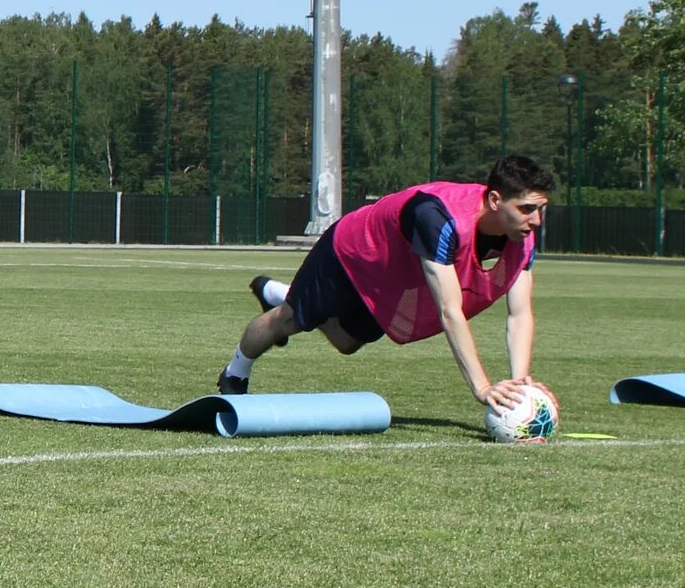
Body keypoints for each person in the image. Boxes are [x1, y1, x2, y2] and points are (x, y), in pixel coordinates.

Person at [221, 153, 552, 412]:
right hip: (352, 251)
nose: (535, 220)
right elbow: (450, 311)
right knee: (288, 321)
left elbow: (520, 313)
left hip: (393, 272)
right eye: (526, 209)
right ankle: (235, 372)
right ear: (495, 201)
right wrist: (482, 387)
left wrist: (520, 384)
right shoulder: (437, 217)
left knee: (347, 343)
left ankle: (282, 294)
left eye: (541, 209)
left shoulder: (521, 235)